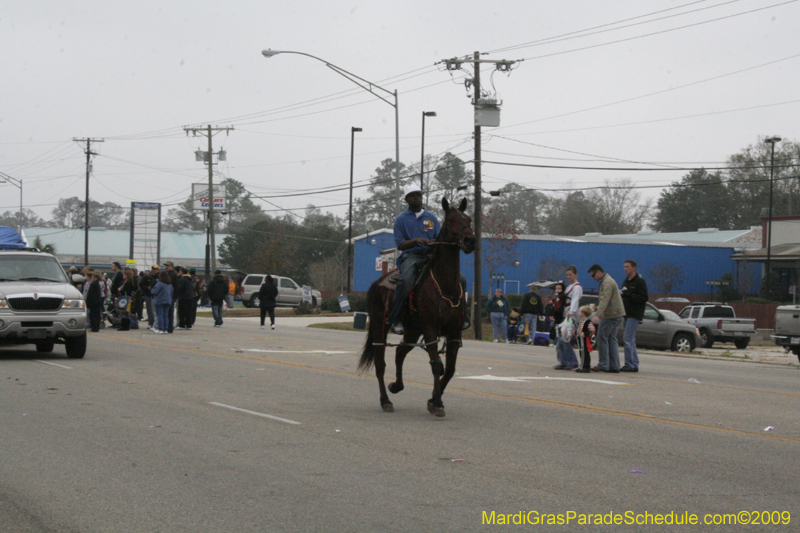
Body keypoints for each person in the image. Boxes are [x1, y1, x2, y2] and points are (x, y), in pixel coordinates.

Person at [386, 184, 441, 335]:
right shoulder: (401, 220)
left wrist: (434, 243)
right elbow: (401, 244)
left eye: (418, 194)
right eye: (412, 195)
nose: (416, 197)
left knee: (457, 277)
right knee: (406, 281)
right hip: (410, 256)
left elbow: (438, 238)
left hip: (430, 256)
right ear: (407, 199)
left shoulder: (431, 218)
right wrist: (417, 240)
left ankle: (459, 316)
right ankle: (396, 318)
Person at [588, 264, 625, 373]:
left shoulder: (607, 282)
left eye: (593, 275)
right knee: (611, 339)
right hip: (616, 314)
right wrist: (598, 309)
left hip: (610, 316)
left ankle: (603, 364)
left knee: (602, 338)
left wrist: (598, 314)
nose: (593, 278)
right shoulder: (608, 281)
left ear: (599, 272)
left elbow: (605, 300)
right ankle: (614, 365)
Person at [620, 259, 649, 373]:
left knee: (627, 338)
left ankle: (630, 364)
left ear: (634, 268)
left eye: (627, 267)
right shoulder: (626, 281)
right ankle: (634, 363)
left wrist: (629, 295)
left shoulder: (639, 282)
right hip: (626, 313)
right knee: (630, 339)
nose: (625, 269)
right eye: (624, 267)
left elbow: (644, 298)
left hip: (634, 313)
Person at [553, 282, 578, 369]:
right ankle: (563, 361)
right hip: (561, 319)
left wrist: (571, 312)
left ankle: (573, 361)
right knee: (560, 342)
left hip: (567, 318)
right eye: (556, 288)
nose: (558, 290)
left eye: (560, 288)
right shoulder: (557, 297)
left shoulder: (564, 296)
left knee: (565, 341)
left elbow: (574, 301)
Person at [575, 305, 596, 373]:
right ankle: (582, 365)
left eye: (580, 311)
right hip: (581, 340)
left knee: (585, 353)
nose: (579, 313)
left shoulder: (588, 322)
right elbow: (580, 329)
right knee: (582, 352)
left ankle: (586, 366)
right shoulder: (582, 321)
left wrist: (586, 334)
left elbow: (592, 331)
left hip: (585, 340)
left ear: (583, 313)